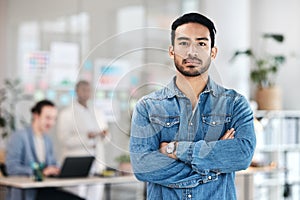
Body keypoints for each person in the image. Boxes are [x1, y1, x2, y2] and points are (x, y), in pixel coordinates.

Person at [129, 12, 256, 200]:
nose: (191, 52)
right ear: (172, 51)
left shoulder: (235, 104)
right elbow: (143, 167)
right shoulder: (147, 107)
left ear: (213, 52)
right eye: (183, 43)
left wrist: (175, 149)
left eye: (201, 43)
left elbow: (242, 155)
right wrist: (212, 166)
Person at [5, 99, 84, 200]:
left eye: (54, 119)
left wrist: (57, 169)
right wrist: (40, 172)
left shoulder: (47, 140)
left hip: (45, 189)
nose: (51, 122)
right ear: (36, 115)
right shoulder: (19, 137)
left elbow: (51, 164)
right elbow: (12, 169)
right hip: (29, 193)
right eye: (47, 118)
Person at [57, 80, 109, 200]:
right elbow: (64, 139)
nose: (86, 93)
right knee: (76, 196)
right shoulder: (67, 113)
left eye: (88, 90)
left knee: (95, 195)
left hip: (97, 162)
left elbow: (105, 136)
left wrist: (104, 135)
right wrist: (87, 137)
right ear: (77, 92)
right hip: (76, 162)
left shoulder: (97, 111)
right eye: (83, 90)